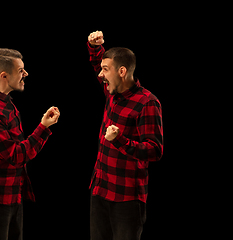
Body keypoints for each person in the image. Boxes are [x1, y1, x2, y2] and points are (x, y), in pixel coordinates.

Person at [0, 48, 60, 240]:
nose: (25, 74)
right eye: (20, 70)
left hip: (12, 193)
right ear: (4, 75)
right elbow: (16, 156)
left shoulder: (5, 102)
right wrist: (43, 128)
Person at [87, 31, 164, 240]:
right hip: (100, 190)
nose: (100, 75)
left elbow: (155, 150)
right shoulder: (112, 91)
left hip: (126, 198)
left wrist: (120, 140)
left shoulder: (147, 103)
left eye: (106, 70)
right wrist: (95, 47)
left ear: (122, 71)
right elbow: (98, 66)